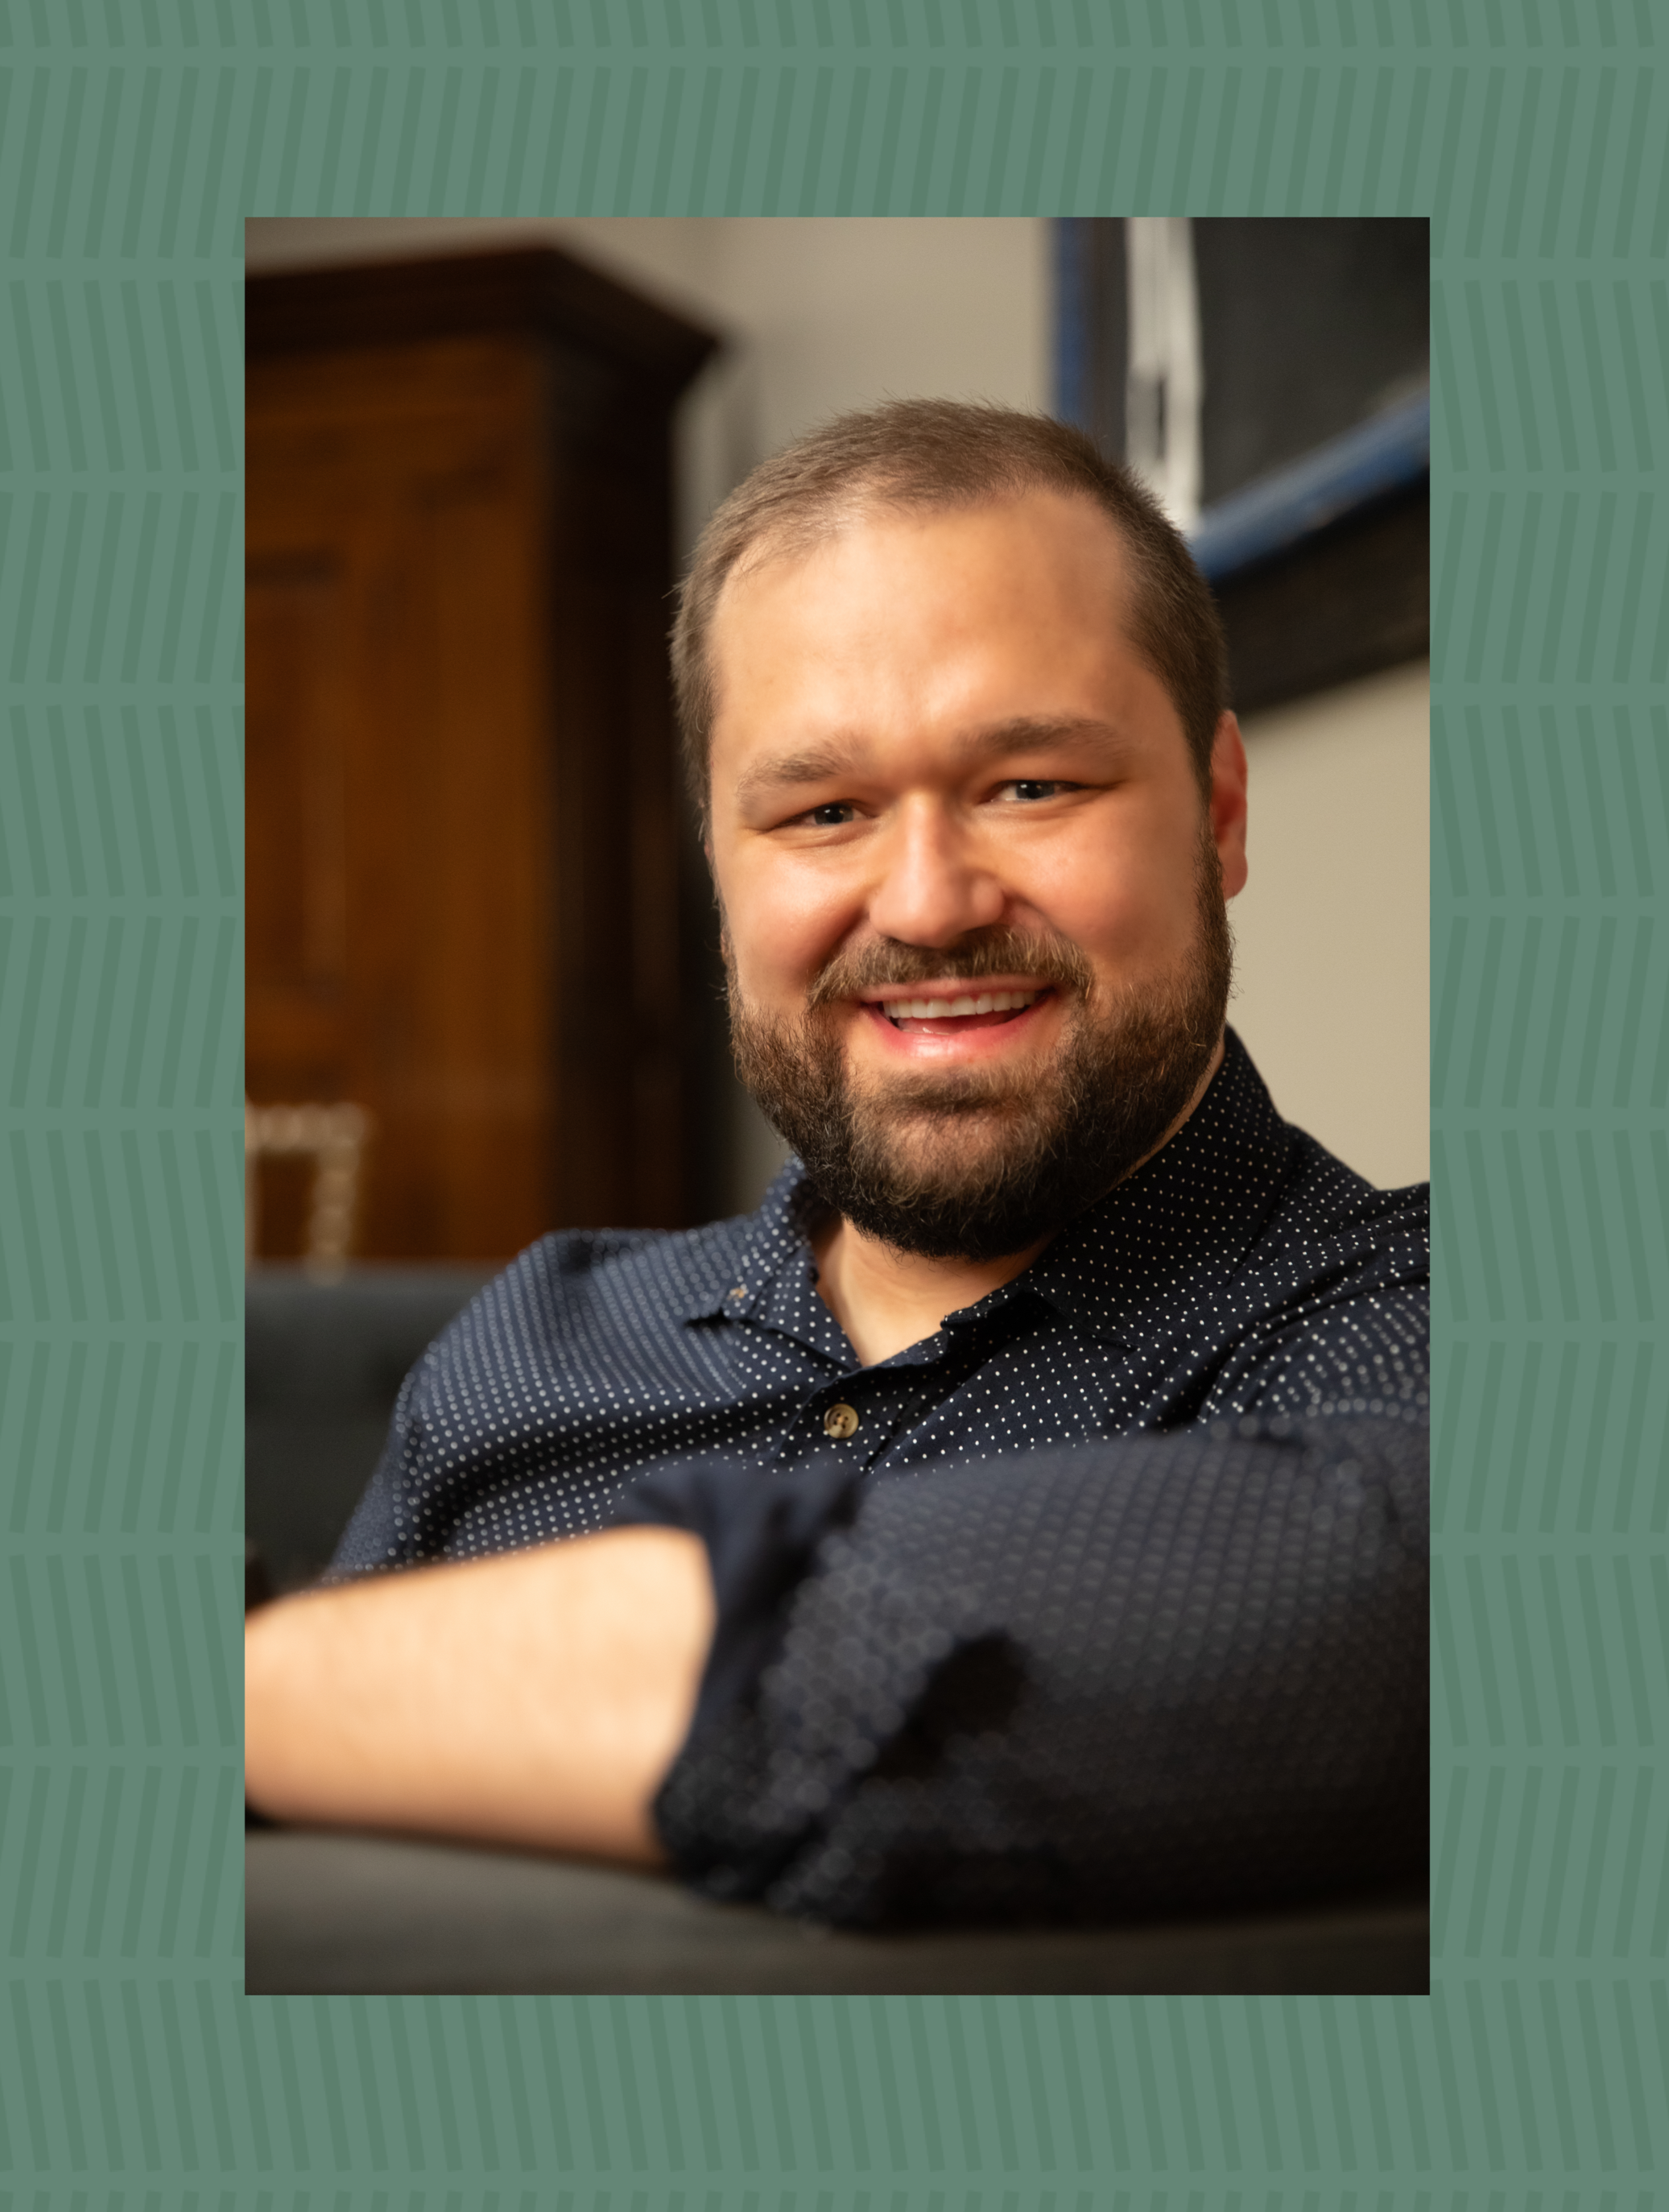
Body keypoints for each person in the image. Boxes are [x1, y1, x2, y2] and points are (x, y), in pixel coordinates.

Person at [245, 400, 1427, 1929]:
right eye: (824, 811)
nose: (927, 903)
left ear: (1217, 811)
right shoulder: (528, 1345)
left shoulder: (1431, 1331)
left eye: (1032, 784)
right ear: (723, 868)